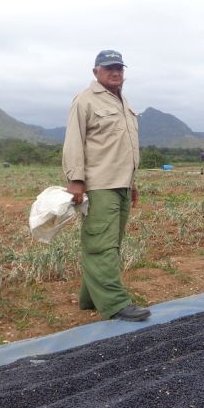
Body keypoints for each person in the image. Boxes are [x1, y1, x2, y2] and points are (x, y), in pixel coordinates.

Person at [62, 49, 150, 322]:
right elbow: (74, 140)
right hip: (99, 185)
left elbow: (123, 148)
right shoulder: (85, 100)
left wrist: (131, 183)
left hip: (121, 184)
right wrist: (76, 180)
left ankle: (90, 298)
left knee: (111, 243)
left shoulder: (123, 102)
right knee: (101, 244)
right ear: (95, 71)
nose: (116, 72)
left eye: (120, 68)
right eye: (109, 67)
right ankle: (114, 304)